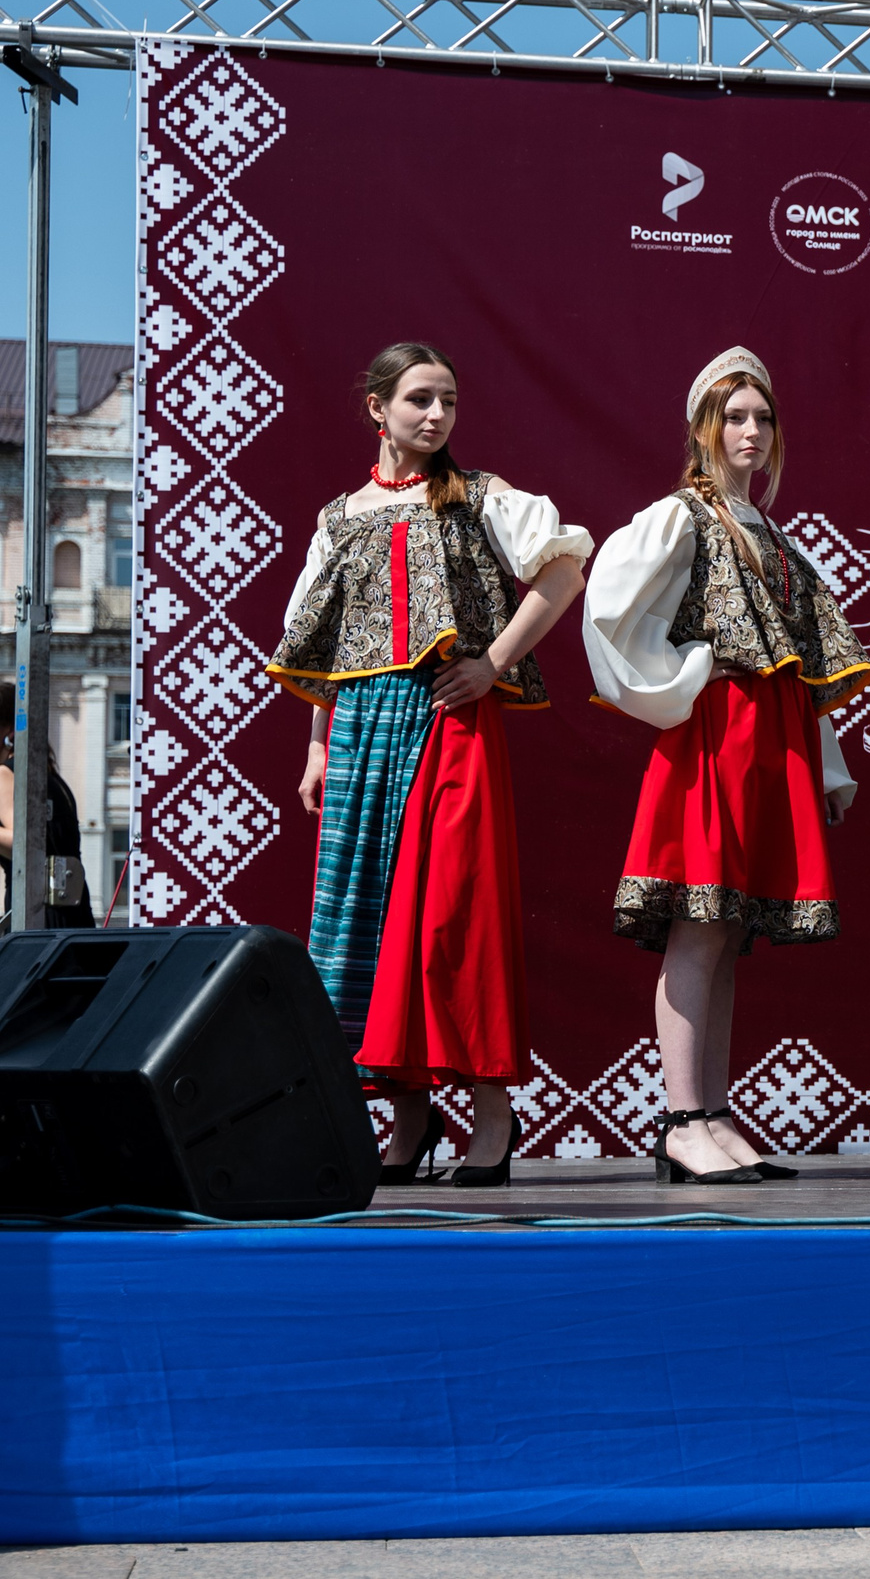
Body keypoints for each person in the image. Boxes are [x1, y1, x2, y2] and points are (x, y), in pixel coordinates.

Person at [268, 342, 591, 1188]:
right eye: (419, 398)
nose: (437, 413)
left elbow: (563, 569)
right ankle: (409, 1120)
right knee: (373, 916)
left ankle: (492, 1115)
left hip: (448, 722)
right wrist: (316, 745)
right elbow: (323, 642)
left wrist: (493, 663)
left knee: (454, 913)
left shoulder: (478, 495)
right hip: (360, 728)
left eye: (448, 398)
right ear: (377, 407)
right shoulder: (341, 517)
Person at [584, 347, 870, 1185]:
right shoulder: (683, 517)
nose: (752, 431)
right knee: (699, 922)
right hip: (718, 734)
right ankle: (681, 1119)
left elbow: (799, 668)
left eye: (763, 417)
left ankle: (711, 1110)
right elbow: (610, 607)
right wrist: (684, 677)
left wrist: (825, 766)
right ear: (703, 428)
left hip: (772, 735)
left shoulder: (773, 537)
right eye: (735, 417)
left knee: (730, 926)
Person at [0, 690, 99, 930]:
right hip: (73, 913)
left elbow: (24, 844)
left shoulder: (6, 775)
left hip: (35, 915)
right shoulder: (53, 780)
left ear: (8, 733)